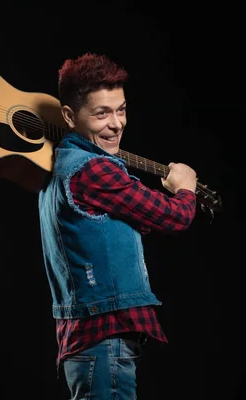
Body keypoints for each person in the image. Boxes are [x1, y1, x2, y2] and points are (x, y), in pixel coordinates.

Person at [38, 53, 198, 399]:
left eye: (121, 109)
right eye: (101, 113)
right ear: (69, 115)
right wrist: (185, 188)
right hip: (102, 343)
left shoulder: (58, 164)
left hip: (93, 345)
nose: (116, 124)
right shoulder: (93, 170)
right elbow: (174, 216)